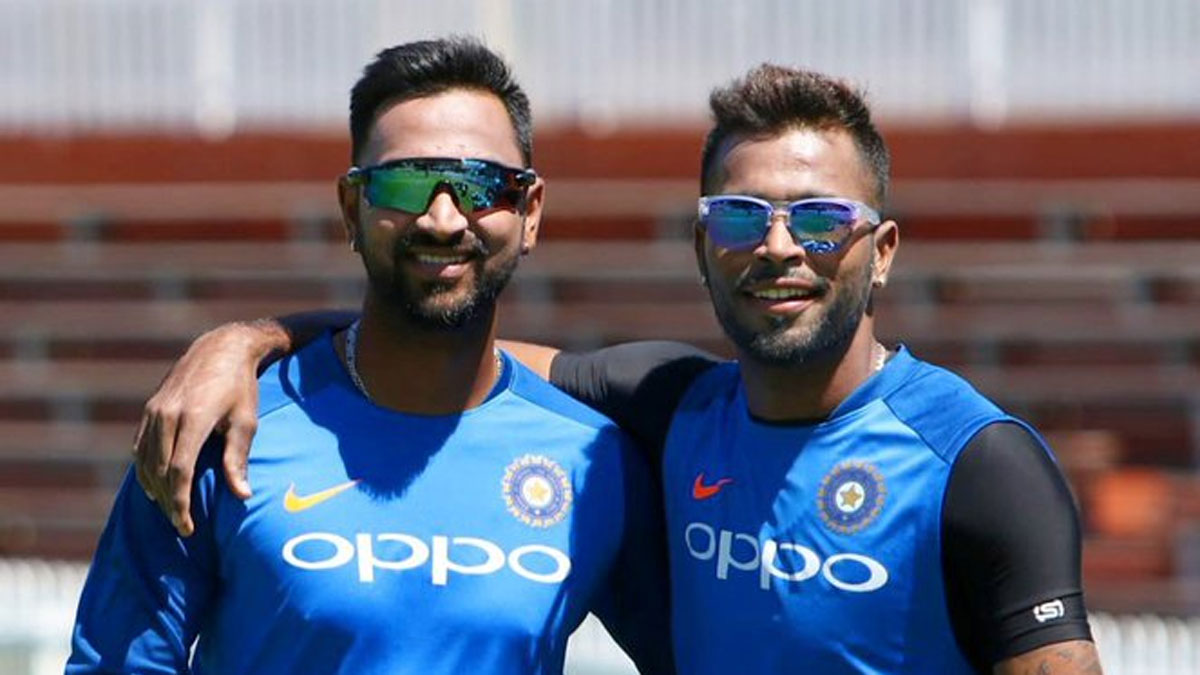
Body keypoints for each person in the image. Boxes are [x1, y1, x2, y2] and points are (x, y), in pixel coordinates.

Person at [133, 64, 1103, 673]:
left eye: (819, 220)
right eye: (737, 216)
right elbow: (437, 342)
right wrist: (245, 342)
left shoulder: (977, 465)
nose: (777, 247)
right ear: (700, 244)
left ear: (882, 249)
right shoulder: (669, 405)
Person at [69, 37, 673, 675]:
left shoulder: (596, 461)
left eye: (481, 186)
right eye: (405, 183)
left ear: (530, 213)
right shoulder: (222, 429)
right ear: (352, 208)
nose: (442, 218)